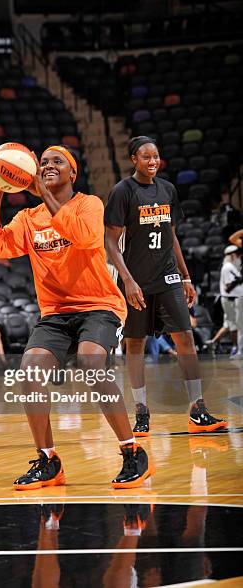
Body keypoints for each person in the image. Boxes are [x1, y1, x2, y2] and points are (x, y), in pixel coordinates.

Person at [0, 144, 152, 490]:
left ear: (72, 173)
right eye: (42, 163)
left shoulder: (89, 205)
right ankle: (49, 460)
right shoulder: (28, 219)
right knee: (29, 373)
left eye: (56, 162)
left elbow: (86, 236)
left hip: (99, 305)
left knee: (91, 361)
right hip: (56, 314)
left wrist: (41, 192)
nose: (47, 166)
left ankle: (131, 450)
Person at [105, 135, 227, 436]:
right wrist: (128, 281)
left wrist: (185, 276)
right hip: (136, 281)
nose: (152, 161)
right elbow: (110, 242)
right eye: (145, 157)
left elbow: (172, 237)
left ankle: (198, 409)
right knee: (135, 344)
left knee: (185, 337)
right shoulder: (122, 192)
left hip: (168, 276)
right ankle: (142, 411)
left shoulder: (167, 190)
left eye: (155, 156)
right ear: (134, 159)